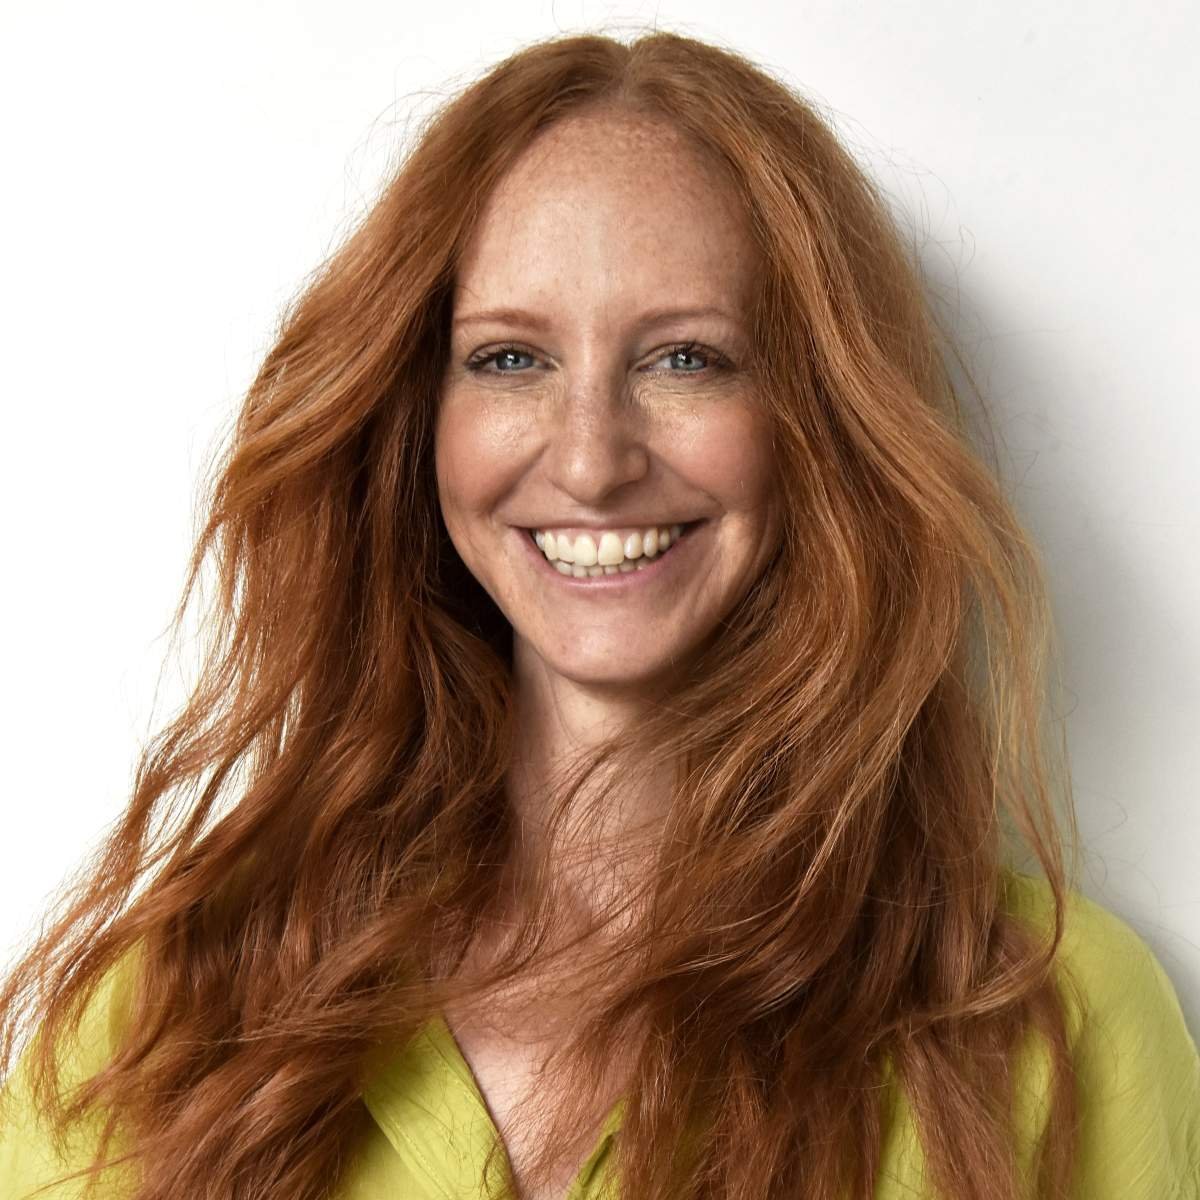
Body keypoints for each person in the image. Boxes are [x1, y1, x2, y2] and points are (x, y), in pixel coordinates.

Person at [1, 28, 1197, 1200]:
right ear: (418, 420)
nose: (590, 459)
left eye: (687, 359)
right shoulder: (163, 1012)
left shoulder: (1053, 1021)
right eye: (510, 360)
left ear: (819, 425)